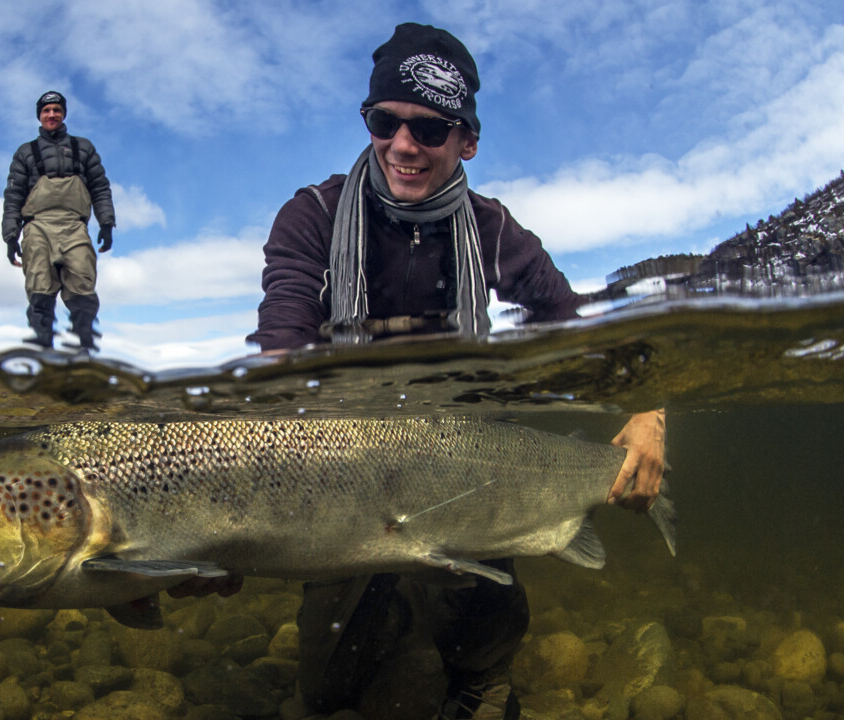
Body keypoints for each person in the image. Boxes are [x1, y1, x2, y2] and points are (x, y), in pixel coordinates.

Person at [238, 24, 667, 719]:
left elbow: (585, 335)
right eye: (386, 121)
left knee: (483, 650)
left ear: (466, 140)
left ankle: (483, 678)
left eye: (430, 130)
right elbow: (280, 344)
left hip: (472, 460)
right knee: (326, 691)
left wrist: (648, 413)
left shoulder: (495, 231)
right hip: (350, 466)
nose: (403, 146)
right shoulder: (312, 216)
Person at [2, 91, 115, 351]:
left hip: (75, 226)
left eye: (56, 109)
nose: (51, 114)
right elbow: (13, 196)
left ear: (63, 113)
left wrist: (106, 223)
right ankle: (43, 357)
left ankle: (83, 357)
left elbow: (100, 187)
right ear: (39, 116)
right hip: (36, 226)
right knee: (40, 293)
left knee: (83, 293)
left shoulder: (83, 147)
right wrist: (10, 236)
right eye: (46, 110)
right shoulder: (25, 152)